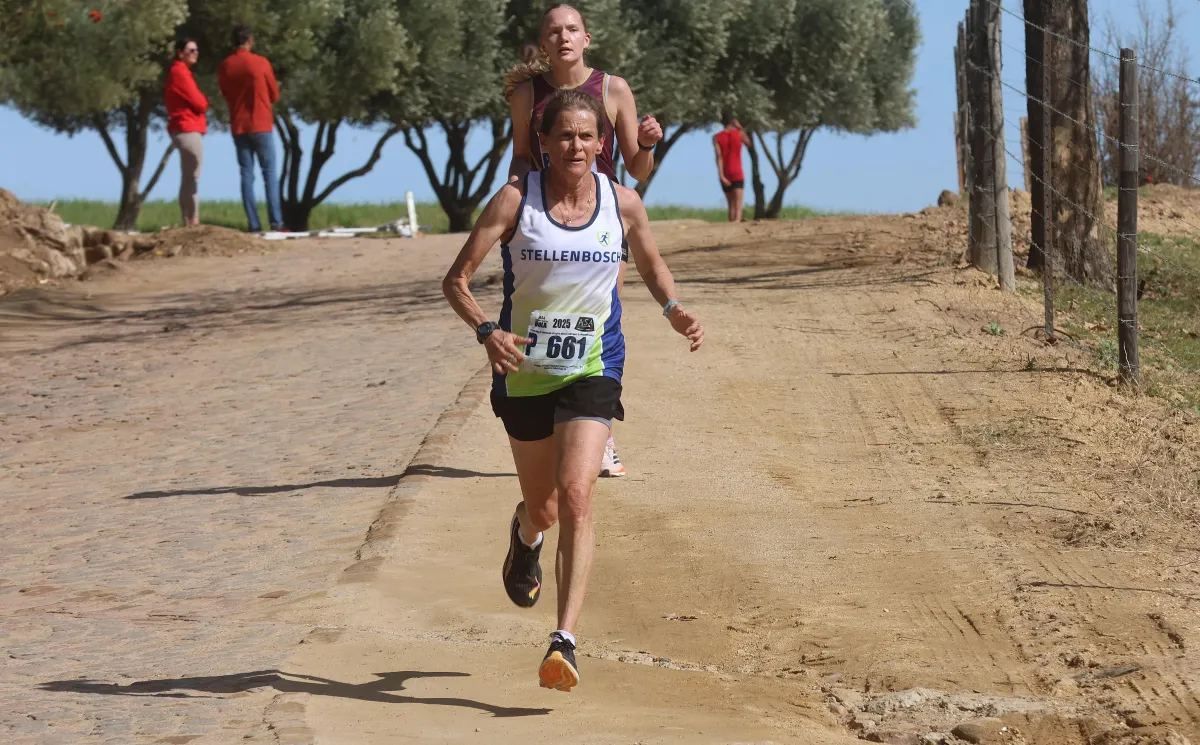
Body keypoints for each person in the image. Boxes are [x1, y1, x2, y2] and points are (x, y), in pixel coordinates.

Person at [442, 90, 703, 692]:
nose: (577, 146)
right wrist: (487, 331)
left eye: (588, 136)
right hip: (524, 374)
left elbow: (650, 263)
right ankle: (525, 535)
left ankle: (565, 640)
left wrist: (674, 309)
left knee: (577, 493)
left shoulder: (623, 202)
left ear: (603, 143)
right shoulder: (515, 201)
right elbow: (455, 279)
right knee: (546, 508)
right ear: (545, 144)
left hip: (593, 367)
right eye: (565, 137)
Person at [503, 3, 664, 479]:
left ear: (586, 38)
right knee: (549, 316)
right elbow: (519, 157)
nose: (564, 38)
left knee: (599, 315)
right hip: (542, 220)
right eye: (554, 32)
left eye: (572, 29)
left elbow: (636, 168)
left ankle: (601, 430)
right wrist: (515, 204)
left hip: (601, 223)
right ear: (544, 42)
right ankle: (556, 420)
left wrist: (650, 144)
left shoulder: (613, 89)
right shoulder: (527, 94)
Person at [217, 24, 284, 233]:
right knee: (269, 173)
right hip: (261, 124)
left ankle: (253, 224)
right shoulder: (261, 63)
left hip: (239, 125)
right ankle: (276, 222)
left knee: (246, 174)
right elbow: (275, 95)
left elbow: (226, 93)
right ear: (250, 40)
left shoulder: (225, 66)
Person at [164, 37, 208, 227]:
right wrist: (204, 103)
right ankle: (193, 220)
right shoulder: (180, 72)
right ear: (180, 52)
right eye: (191, 50)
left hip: (183, 128)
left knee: (188, 175)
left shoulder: (179, 72)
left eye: (197, 50)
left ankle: (188, 219)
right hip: (187, 127)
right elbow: (200, 102)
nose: (195, 53)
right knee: (193, 176)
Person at [713, 113, 750, 223]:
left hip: (726, 173)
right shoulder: (738, 134)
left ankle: (730, 227)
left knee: (731, 205)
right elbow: (749, 143)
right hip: (737, 172)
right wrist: (740, 127)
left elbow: (718, 157)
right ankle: (736, 228)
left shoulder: (716, 137)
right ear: (732, 122)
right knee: (738, 205)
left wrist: (721, 176)